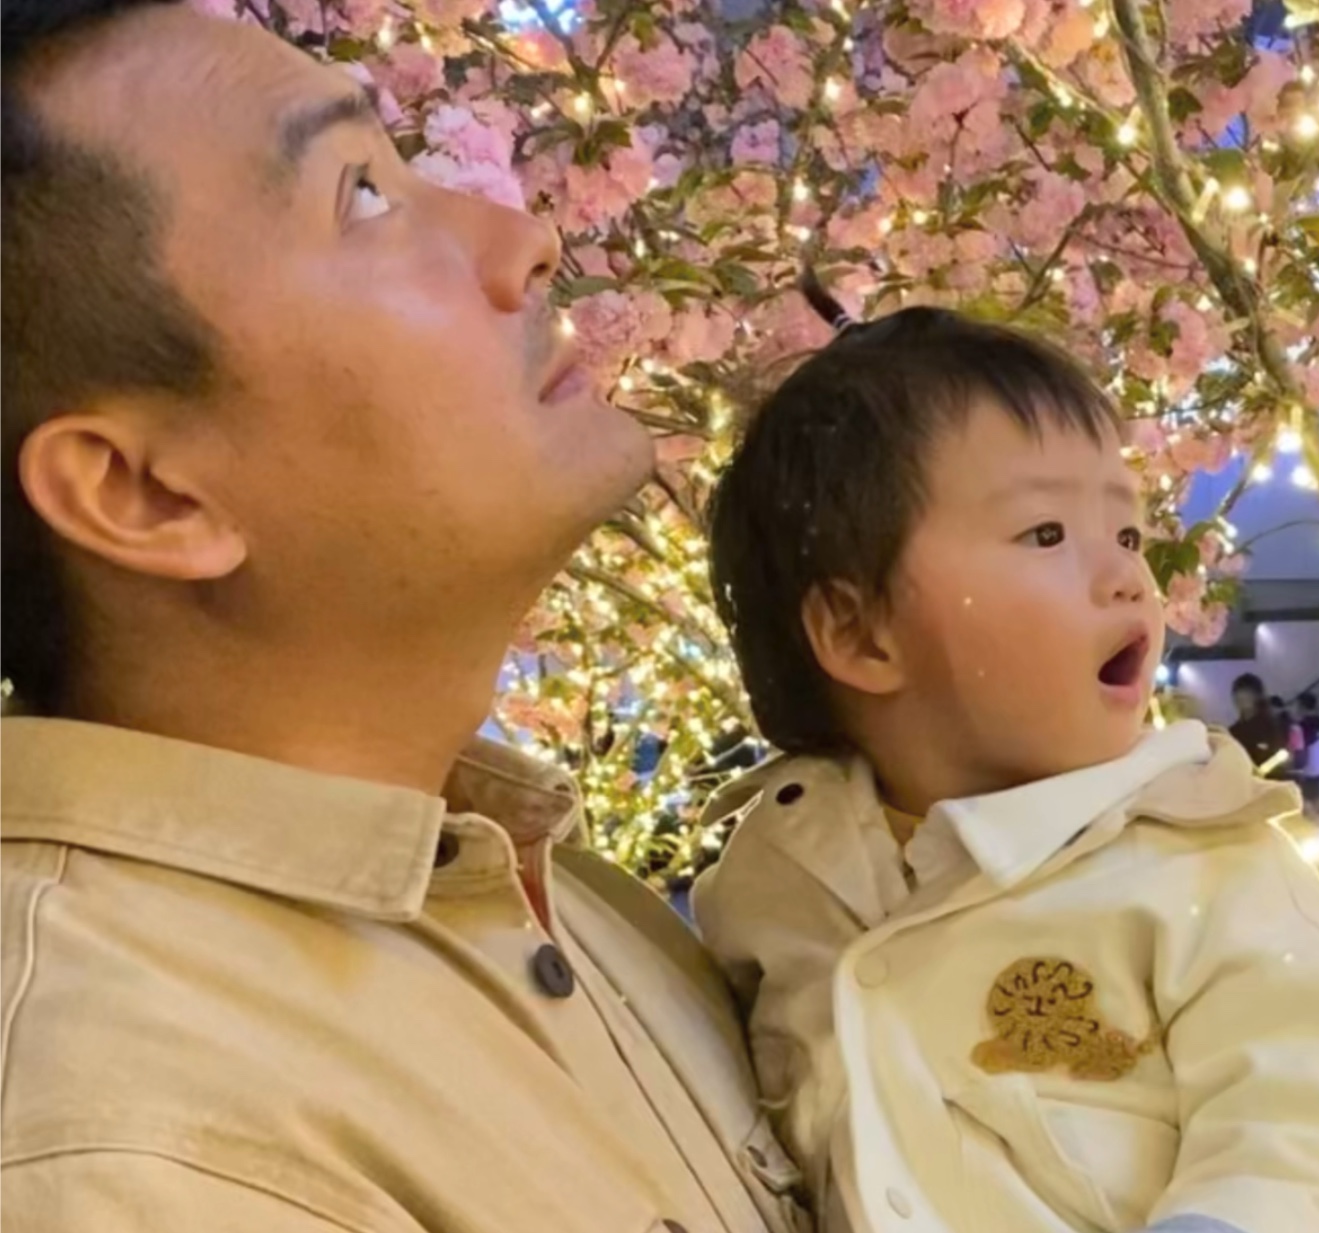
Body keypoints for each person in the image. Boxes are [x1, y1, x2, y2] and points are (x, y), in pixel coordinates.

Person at [0, 4, 806, 1229]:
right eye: (364, 197)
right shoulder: (133, 1150)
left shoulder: (576, 904)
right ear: (147, 491)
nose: (521, 239)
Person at [692, 284, 1319, 1233]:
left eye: (1125, 532)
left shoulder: (1203, 859)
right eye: (1047, 534)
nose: (1128, 575)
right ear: (862, 634)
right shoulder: (769, 887)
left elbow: (1316, 1100)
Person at [1226, 672, 1290, 774]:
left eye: (1247, 694)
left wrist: (1260, 771)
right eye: (1237, 695)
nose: (1241, 699)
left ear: (1257, 697)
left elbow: (1282, 755)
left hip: (1269, 784)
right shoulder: (1233, 731)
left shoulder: (1272, 726)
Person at [1294, 691, 1319, 796]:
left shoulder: (1304, 725)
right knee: (1317, 794)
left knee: (1311, 797)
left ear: (1302, 706)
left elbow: (1302, 745)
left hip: (1310, 766)